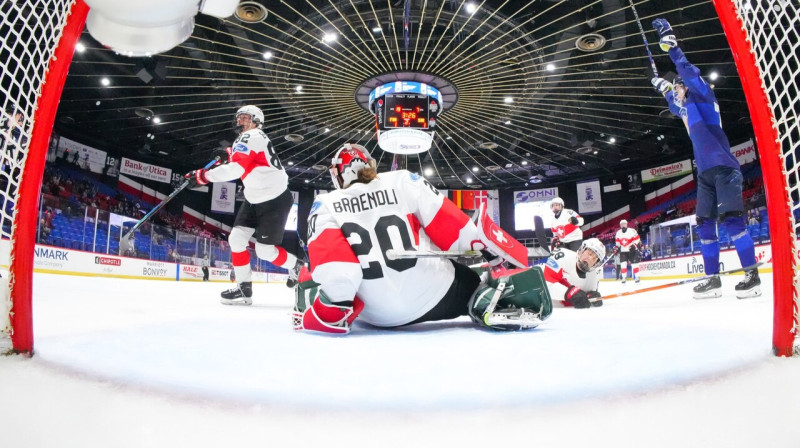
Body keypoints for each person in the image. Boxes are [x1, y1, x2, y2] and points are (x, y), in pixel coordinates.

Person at [292, 143, 552, 334]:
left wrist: (324, 314)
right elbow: (454, 230)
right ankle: (487, 297)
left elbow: (339, 276)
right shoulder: (403, 180)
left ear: (337, 176)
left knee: (318, 281)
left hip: (375, 315)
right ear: (370, 165)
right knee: (473, 281)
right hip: (438, 296)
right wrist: (487, 251)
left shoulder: (324, 204)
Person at [650, 18, 760, 299]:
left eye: (678, 87)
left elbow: (687, 72)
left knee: (733, 223)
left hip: (724, 170)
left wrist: (671, 46)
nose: (677, 91)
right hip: (705, 176)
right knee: (705, 227)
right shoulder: (685, 109)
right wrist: (662, 87)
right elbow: (674, 105)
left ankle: (752, 276)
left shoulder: (703, 97)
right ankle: (712, 280)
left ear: (686, 87)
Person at [184, 105, 304, 305]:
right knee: (236, 239)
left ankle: (297, 266)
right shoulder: (251, 138)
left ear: (257, 121)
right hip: (254, 197)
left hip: (273, 199)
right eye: (239, 117)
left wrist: (203, 176)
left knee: (264, 251)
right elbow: (249, 158)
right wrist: (227, 154)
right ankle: (243, 288)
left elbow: (236, 169)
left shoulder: (252, 136)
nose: (240, 121)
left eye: (246, 118)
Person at [542, 238, 605, 309]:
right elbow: (544, 285)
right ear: (582, 250)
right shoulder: (562, 255)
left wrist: (592, 297)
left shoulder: (593, 276)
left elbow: (585, 297)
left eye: (594, 259)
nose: (590, 258)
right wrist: (567, 293)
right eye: (589, 253)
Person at [614, 219, 640, 284]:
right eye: (621, 224)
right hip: (623, 251)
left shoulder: (632, 231)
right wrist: (616, 248)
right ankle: (623, 278)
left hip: (632, 250)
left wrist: (634, 244)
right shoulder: (618, 233)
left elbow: (637, 239)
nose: (623, 225)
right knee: (623, 265)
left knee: (634, 264)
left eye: (624, 224)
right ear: (620, 225)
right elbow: (617, 243)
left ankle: (637, 277)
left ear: (626, 224)